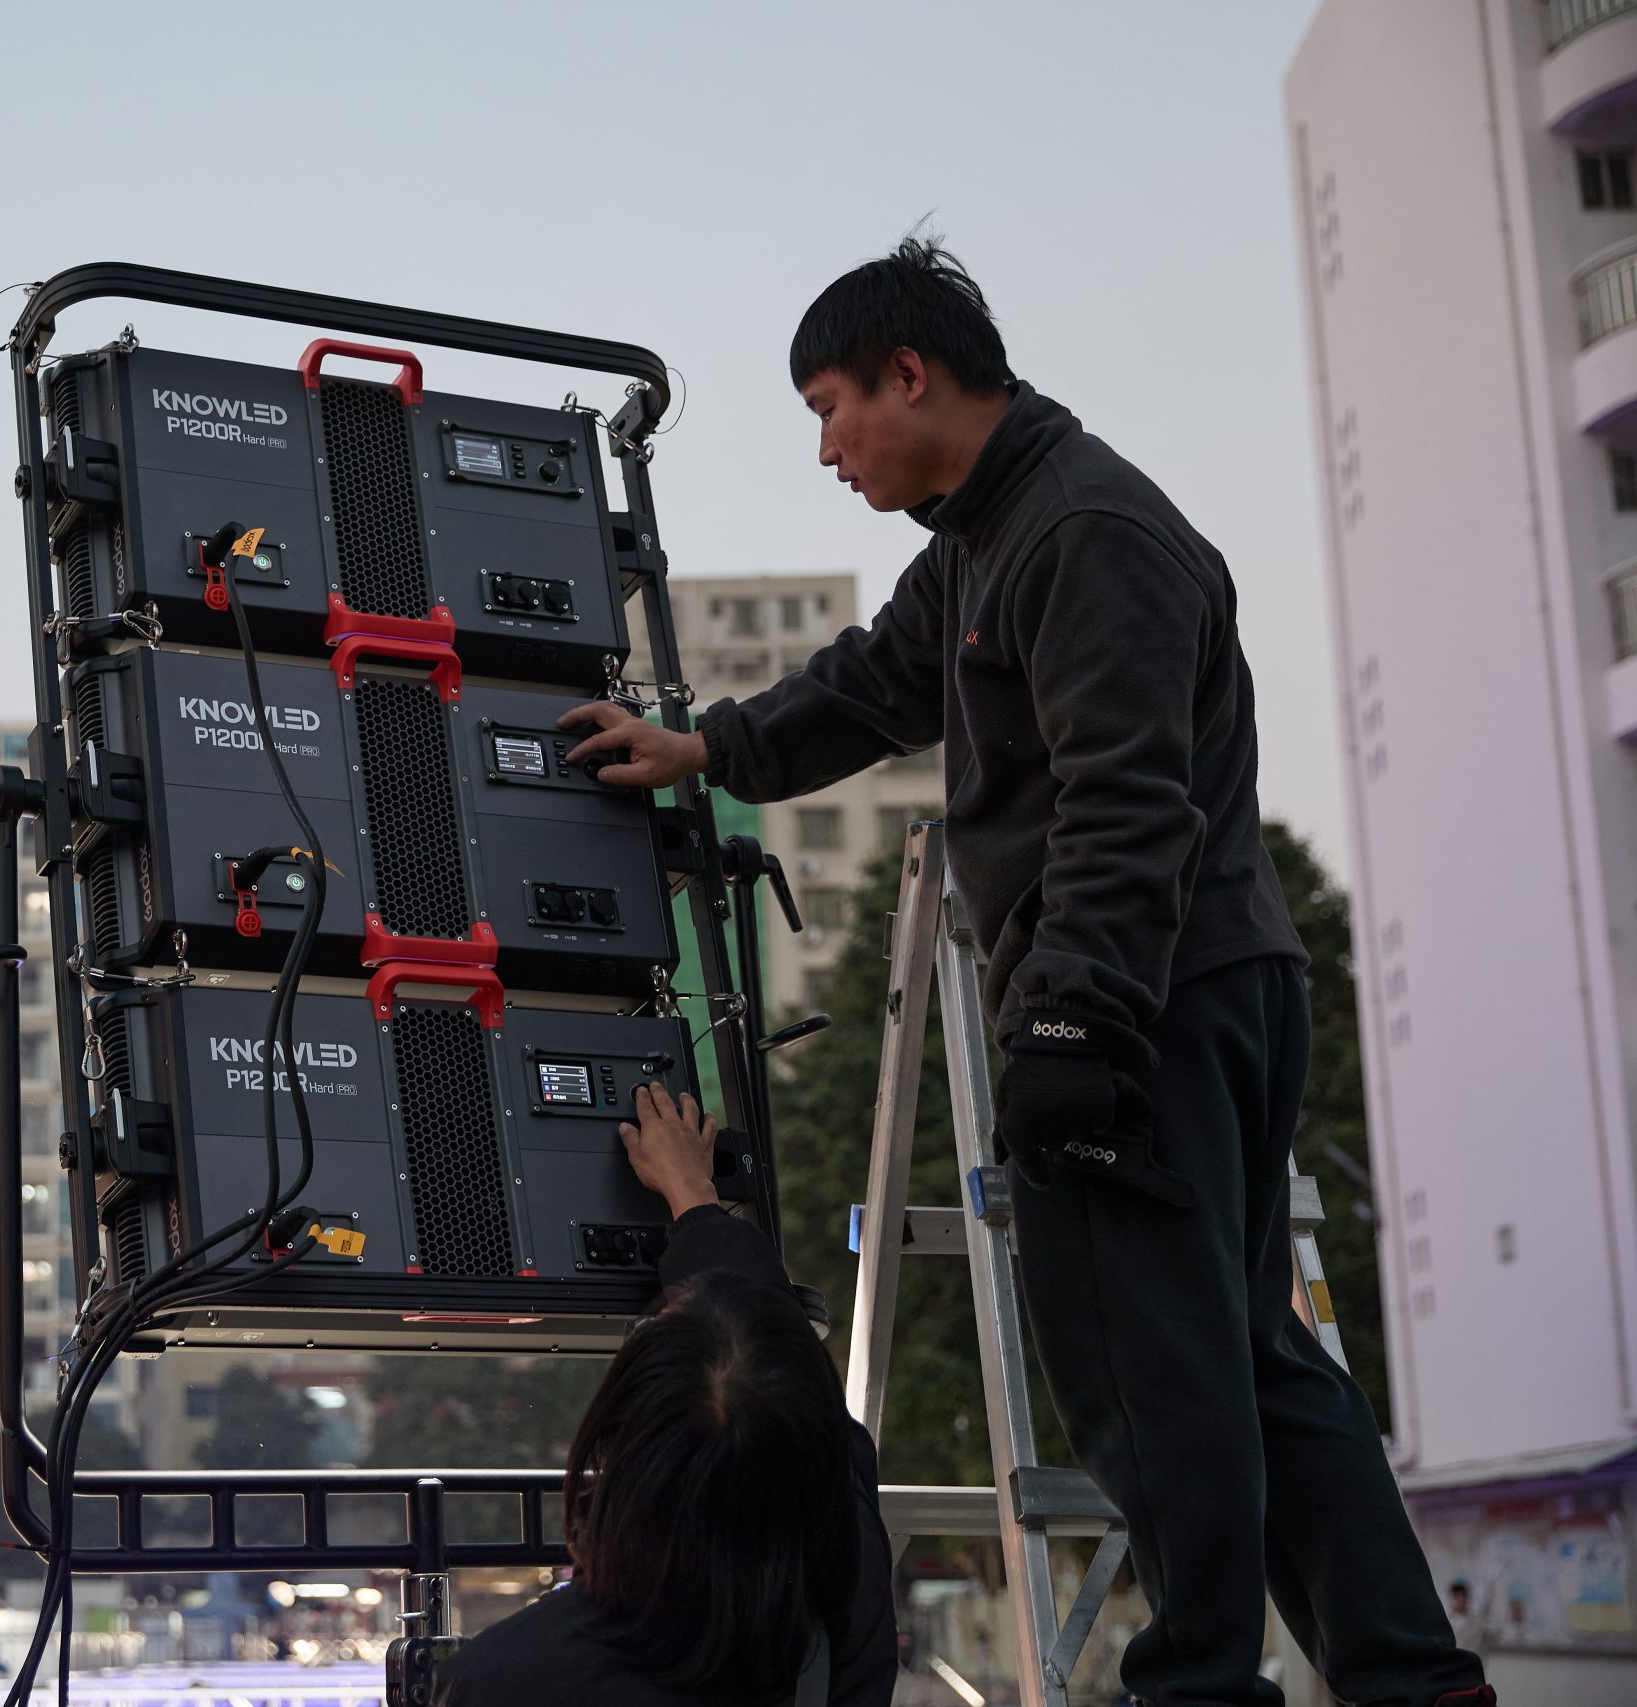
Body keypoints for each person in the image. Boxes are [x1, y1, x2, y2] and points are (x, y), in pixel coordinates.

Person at [559, 236, 1493, 1707]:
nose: (824, 451)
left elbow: (1126, 797)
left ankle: (1199, 1687)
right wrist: (706, 747)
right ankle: (1410, 1679)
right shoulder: (988, 539)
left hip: (1147, 996)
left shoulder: (1084, 529)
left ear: (908, 376)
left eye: (829, 409)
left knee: (1150, 1366)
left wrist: (1072, 1022)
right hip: (1194, 983)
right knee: (1249, 1359)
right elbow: (874, 682)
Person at [433, 1083, 896, 1707]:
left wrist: (691, 1197)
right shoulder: (847, 1622)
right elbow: (795, 1407)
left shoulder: (506, 1679)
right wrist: (696, 1200)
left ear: (626, 1466)